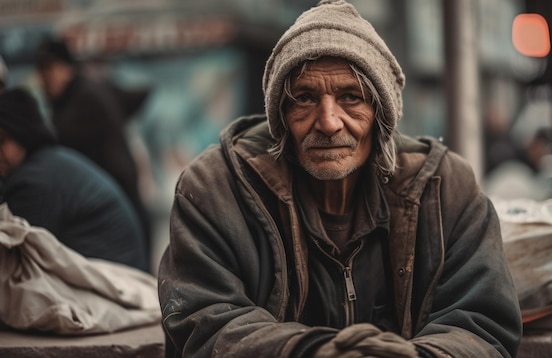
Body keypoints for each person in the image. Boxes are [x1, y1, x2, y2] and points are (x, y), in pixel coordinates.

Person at [158, 1, 523, 357]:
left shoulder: (444, 188)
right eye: (304, 98)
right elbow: (204, 321)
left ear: (381, 115)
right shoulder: (216, 188)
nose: (329, 122)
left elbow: (482, 322)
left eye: (351, 97)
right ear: (280, 116)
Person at [0, 87, 149, 272]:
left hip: (112, 285)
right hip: (120, 275)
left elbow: (14, 260)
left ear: (22, 133)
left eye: (2, 140)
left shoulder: (33, 181)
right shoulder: (49, 161)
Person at [34, 37, 152, 253]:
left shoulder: (83, 101)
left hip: (117, 211)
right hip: (125, 205)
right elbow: (137, 96)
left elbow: (52, 140)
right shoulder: (96, 88)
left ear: (68, 68)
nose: (43, 79)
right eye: (40, 71)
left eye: (49, 69)